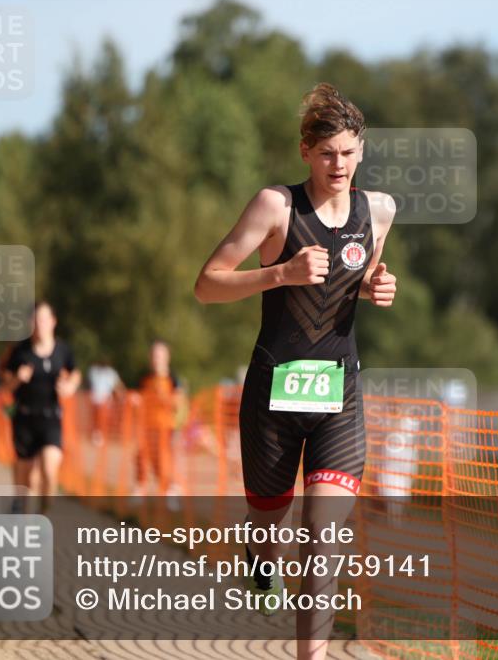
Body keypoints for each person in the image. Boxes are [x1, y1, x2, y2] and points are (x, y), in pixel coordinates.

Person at [193, 83, 397, 658]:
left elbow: (359, 279)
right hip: (272, 393)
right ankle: (258, 556)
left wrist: (379, 285)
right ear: (305, 151)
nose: (339, 165)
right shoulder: (274, 207)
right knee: (270, 526)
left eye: (349, 152)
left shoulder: (379, 210)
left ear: (362, 152)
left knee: (322, 543)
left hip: (340, 392)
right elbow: (207, 284)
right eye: (328, 152)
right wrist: (279, 275)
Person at [3, 301, 82, 514]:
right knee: (26, 476)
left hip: (50, 418)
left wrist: (70, 385)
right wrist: (18, 379)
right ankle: (20, 506)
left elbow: (75, 372)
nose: (40, 324)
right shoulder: (20, 351)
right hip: (24, 418)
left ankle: (46, 514)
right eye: (36, 319)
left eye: (44, 319)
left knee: (49, 468)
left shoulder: (62, 350)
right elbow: (6, 383)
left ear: (53, 322)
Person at [131, 341, 184, 505]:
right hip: (147, 426)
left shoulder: (172, 379)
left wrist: (165, 398)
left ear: (167, 357)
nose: (156, 359)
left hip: (165, 428)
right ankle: (141, 489)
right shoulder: (145, 378)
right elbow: (138, 397)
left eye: (160, 355)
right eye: (154, 355)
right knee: (141, 457)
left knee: (163, 461)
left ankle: (171, 490)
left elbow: (178, 403)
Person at [87, 358, 125, 447]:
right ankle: (97, 435)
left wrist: (121, 395)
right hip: (96, 401)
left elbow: (118, 386)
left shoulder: (110, 373)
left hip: (104, 401)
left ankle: (100, 435)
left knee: (103, 420)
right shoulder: (94, 371)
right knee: (97, 419)